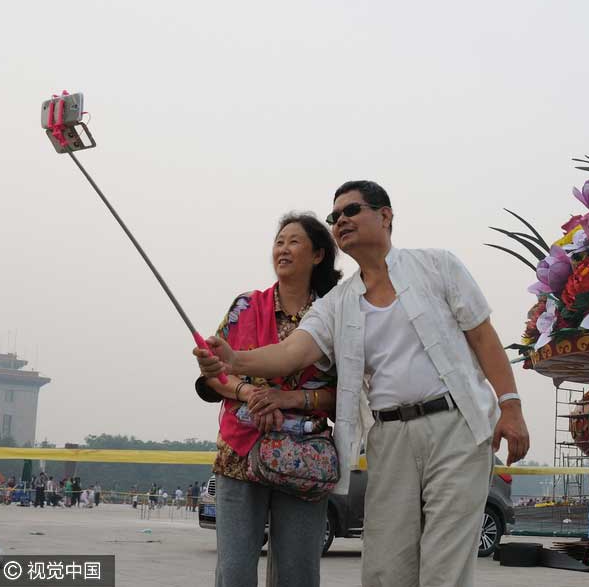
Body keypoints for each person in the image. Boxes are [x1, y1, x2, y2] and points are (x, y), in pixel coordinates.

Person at [196, 181, 530, 587]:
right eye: (335, 217)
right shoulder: (338, 302)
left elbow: (482, 336)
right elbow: (292, 351)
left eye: (351, 211)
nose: (341, 221)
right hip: (388, 438)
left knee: (445, 564)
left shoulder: (438, 266)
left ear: (385, 216)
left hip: (455, 427)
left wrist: (510, 406)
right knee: (385, 566)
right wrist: (234, 359)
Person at [194, 211, 341, 587]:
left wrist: (288, 399)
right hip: (240, 454)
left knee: (299, 573)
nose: (283, 249)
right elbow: (216, 373)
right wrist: (249, 393)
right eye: (279, 242)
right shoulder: (245, 306)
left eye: (294, 241)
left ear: (319, 255)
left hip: (304, 459)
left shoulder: (335, 315)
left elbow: (348, 393)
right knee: (235, 571)